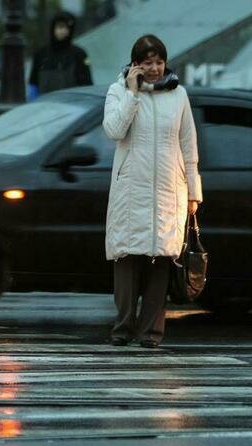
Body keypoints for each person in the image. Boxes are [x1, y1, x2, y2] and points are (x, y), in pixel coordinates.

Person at [103, 34, 202, 348]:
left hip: (168, 189)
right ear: (135, 65)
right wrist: (132, 96)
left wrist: (193, 193)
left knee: (161, 261)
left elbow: (188, 145)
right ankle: (122, 328)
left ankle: (151, 333)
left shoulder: (178, 95)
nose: (156, 68)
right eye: (148, 63)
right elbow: (113, 130)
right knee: (127, 258)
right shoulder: (118, 91)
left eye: (160, 62)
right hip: (131, 188)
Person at [28, 11, 92, 100]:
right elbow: (33, 85)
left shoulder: (79, 54)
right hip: (44, 107)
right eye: (60, 26)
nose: (63, 31)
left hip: (72, 108)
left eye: (67, 28)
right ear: (53, 28)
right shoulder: (41, 54)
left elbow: (87, 86)